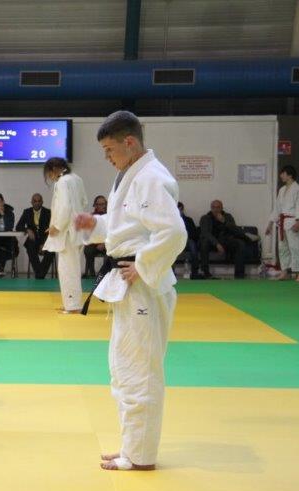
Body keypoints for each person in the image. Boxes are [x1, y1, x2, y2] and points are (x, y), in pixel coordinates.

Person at [75, 110, 186, 471]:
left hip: (142, 285)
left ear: (130, 142)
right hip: (129, 284)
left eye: (110, 149)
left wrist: (143, 264)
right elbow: (127, 226)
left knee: (139, 371)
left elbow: (174, 232)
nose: (107, 157)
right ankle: (132, 447)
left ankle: (140, 456)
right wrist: (95, 224)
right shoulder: (131, 175)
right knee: (124, 368)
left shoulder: (150, 177)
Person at [43, 158, 89, 313]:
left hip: (67, 232)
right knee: (73, 268)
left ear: (55, 169)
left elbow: (65, 207)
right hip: (78, 230)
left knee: (67, 270)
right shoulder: (77, 178)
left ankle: (73, 305)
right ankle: (72, 303)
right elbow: (83, 201)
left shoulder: (62, 182)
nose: (50, 177)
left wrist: (56, 226)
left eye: (49, 173)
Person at [266, 165, 299, 281]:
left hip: (293, 221)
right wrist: (270, 224)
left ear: (290, 175)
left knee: (295, 247)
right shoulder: (282, 190)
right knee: (282, 248)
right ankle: (284, 272)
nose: (281, 175)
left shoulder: (298, 189)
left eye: (283, 173)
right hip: (282, 223)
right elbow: (277, 208)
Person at [198, 200, 247, 279]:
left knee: (240, 243)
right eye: (213, 207)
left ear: (222, 208)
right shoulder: (205, 218)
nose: (216, 210)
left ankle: (239, 274)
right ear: (211, 208)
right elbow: (205, 233)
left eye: (218, 207)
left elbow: (235, 230)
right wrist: (217, 244)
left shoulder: (228, 216)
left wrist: (224, 221)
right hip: (212, 242)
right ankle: (205, 272)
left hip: (225, 241)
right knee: (204, 242)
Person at [16, 193, 53, 279]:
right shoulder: (27, 212)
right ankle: (40, 274)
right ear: (31, 202)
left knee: (51, 251)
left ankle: (39, 274)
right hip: (33, 241)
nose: (37, 203)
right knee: (30, 247)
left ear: (42, 202)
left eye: (39, 201)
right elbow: (18, 226)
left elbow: (52, 229)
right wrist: (27, 230)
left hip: (46, 240)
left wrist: (44, 243)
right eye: (35, 201)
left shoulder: (48, 212)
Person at [83, 195, 108, 277]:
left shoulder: (111, 215)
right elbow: (88, 234)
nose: (101, 206)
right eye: (98, 204)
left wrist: (104, 243)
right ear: (95, 205)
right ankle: (92, 274)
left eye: (103, 204)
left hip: (107, 243)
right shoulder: (91, 217)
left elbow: (112, 232)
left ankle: (103, 274)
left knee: (110, 251)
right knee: (88, 250)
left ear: (106, 204)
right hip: (94, 243)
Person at [177, 202, 202, 279]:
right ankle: (170, 273)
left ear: (182, 210)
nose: (178, 212)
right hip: (175, 241)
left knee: (192, 244)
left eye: (180, 210)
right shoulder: (170, 220)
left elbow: (194, 234)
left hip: (187, 240)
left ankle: (195, 272)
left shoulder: (189, 220)